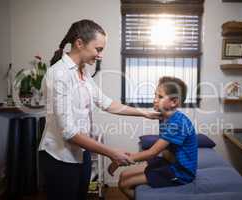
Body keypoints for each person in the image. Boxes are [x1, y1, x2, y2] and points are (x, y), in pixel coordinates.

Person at [38, 19, 160, 200]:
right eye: (98, 49)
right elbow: (69, 132)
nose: (100, 55)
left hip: (81, 154)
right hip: (60, 158)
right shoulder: (59, 74)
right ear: (79, 43)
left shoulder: (83, 72)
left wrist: (145, 113)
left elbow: (106, 103)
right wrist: (112, 153)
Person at [108, 76, 198, 200]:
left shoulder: (176, 123)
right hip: (169, 163)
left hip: (180, 172)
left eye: (160, 97)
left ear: (174, 102)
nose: (154, 100)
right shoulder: (164, 117)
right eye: (155, 95)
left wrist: (121, 160)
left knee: (123, 185)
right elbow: (164, 150)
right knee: (123, 175)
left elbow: (153, 152)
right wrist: (131, 157)